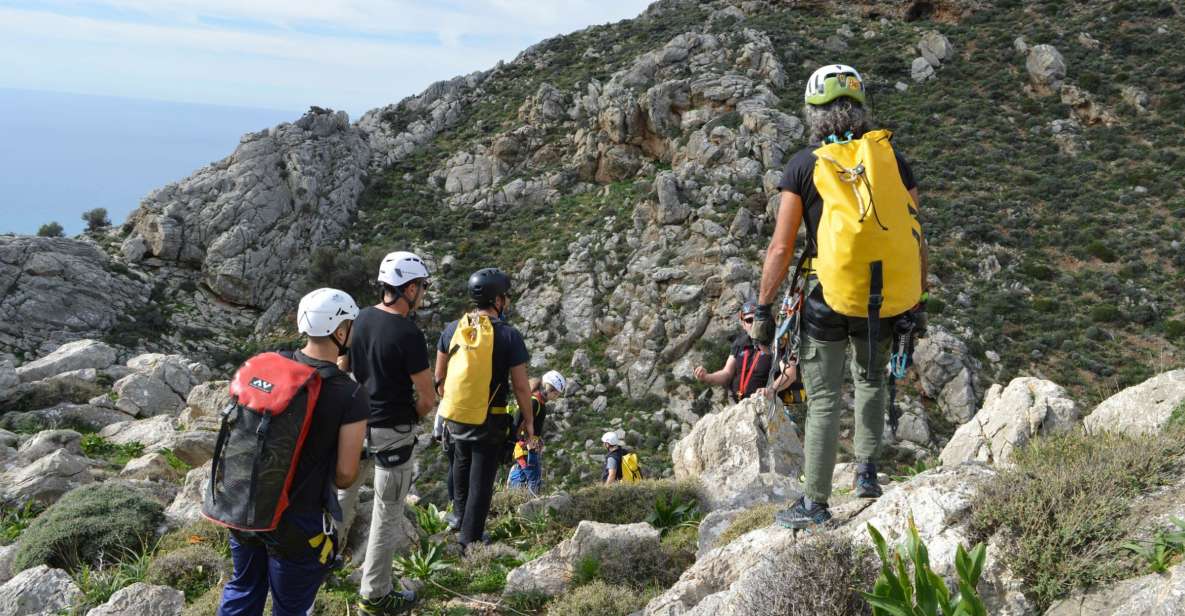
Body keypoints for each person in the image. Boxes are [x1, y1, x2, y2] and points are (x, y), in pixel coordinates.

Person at [752, 64, 928, 529]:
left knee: (826, 395)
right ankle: (868, 474)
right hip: (883, 295)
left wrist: (764, 307)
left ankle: (815, 503)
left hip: (826, 295)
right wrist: (916, 299)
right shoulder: (890, 158)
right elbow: (914, 235)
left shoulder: (804, 164)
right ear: (860, 107)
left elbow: (782, 247)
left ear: (814, 114)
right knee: (871, 379)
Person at [216, 289, 368, 616]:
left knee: (243, 588)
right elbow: (344, 476)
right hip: (297, 521)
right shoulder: (350, 394)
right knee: (291, 608)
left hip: (245, 506)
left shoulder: (271, 365)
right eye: (351, 325)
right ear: (339, 332)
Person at [336, 251, 434, 616]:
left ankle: (322, 566)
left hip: (355, 426)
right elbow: (427, 396)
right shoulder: (408, 333)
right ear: (409, 288)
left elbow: (343, 365)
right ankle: (374, 594)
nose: (422, 293)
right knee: (387, 512)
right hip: (392, 431)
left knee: (342, 497)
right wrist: (412, 417)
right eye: (421, 287)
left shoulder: (360, 317)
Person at [435, 267, 535, 550]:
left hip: (455, 417)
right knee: (481, 478)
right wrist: (528, 421)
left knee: (461, 465)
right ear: (498, 300)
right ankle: (471, 540)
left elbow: (439, 379)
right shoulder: (508, 335)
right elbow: (521, 387)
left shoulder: (453, 329)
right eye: (505, 298)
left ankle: (459, 522)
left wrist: (456, 404)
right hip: (490, 420)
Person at [693, 300, 795, 402]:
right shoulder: (739, 343)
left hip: (767, 404)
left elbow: (790, 373)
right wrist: (707, 377)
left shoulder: (777, 341)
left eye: (758, 319)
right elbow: (727, 374)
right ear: (743, 324)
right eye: (749, 320)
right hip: (739, 406)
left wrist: (771, 390)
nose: (755, 324)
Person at [507, 370, 567, 495]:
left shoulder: (539, 403)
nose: (556, 397)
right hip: (526, 449)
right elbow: (518, 421)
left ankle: (513, 492)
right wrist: (522, 442)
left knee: (527, 476)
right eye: (556, 394)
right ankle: (521, 500)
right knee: (534, 480)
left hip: (527, 448)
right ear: (551, 390)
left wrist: (537, 440)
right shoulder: (534, 402)